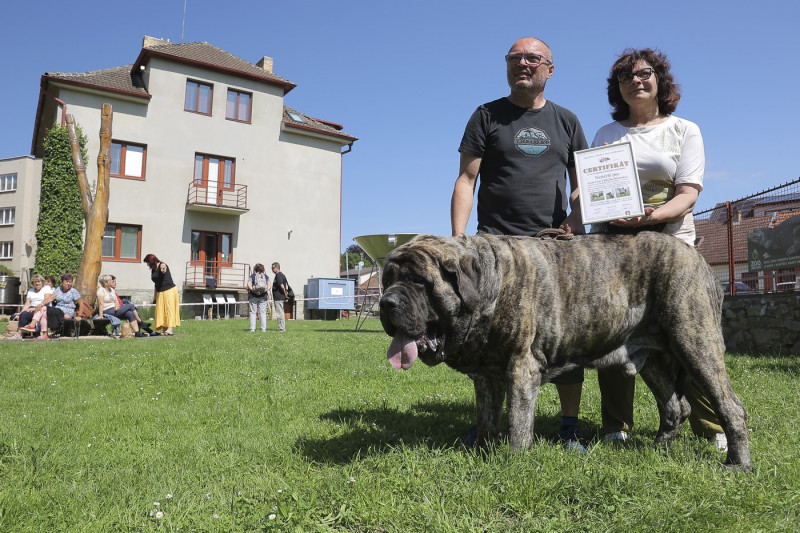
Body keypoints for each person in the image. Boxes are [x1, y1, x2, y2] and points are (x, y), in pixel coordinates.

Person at [451, 37, 589, 451]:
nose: (523, 64)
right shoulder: (486, 115)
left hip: (553, 248)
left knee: (564, 339)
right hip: (496, 247)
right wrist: (460, 241)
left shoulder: (567, 121)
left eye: (532, 58)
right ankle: (489, 423)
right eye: (515, 58)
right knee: (492, 338)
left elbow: (584, 185)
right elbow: (466, 179)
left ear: (550, 69)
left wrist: (574, 222)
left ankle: (569, 426)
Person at [587, 48, 726, 451]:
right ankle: (617, 426)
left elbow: (687, 195)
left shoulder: (685, 130)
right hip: (614, 251)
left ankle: (712, 427)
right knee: (611, 336)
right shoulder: (605, 135)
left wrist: (648, 218)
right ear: (618, 89)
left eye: (645, 73)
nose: (637, 81)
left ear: (660, 80)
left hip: (672, 250)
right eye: (626, 78)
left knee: (691, 337)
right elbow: (596, 192)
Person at [143, 253, 180, 336]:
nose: (147, 264)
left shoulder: (162, 265)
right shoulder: (153, 270)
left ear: (152, 261)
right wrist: (155, 297)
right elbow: (156, 284)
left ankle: (170, 330)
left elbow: (163, 266)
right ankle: (164, 330)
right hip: (160, 292)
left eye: (148, 262)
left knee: (169, 310)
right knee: (161, 311)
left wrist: (163, 267)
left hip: (169, 290)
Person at [18, 274, 56, 338]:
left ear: (42, 282)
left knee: (40, 312)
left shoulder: (46, 288)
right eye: (35, 282)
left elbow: (46, 300)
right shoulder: (30, 291)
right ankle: (19, 334)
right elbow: (27, 304)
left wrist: (35, 308)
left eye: (39, 281)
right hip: (31, 308)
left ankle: (32, 328)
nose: (37, 283)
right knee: (23, 314)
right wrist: (20, 312)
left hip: (43, 307)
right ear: (33, 283)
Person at [247, 263, 271, 332]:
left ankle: (252, 329)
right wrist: (264, 291)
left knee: (253, 312)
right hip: (263, 296)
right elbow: (269, 285)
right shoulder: (266, 276)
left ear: (255, 269)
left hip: (253, 296)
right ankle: (263, 329)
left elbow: (249, 284)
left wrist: (254, 291)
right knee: (263, 312)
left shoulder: (252, 276)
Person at [271, 262, 288, 332]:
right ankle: (281, 327)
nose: (272, 269)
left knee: (279, 313)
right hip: (279, 297)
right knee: (280, 312)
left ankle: (281, 328)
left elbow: (282, 285)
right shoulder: (280, 275)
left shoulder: (279, 275)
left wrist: (285, 294)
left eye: (273, 268)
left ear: (277, 268)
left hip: (279, 297)